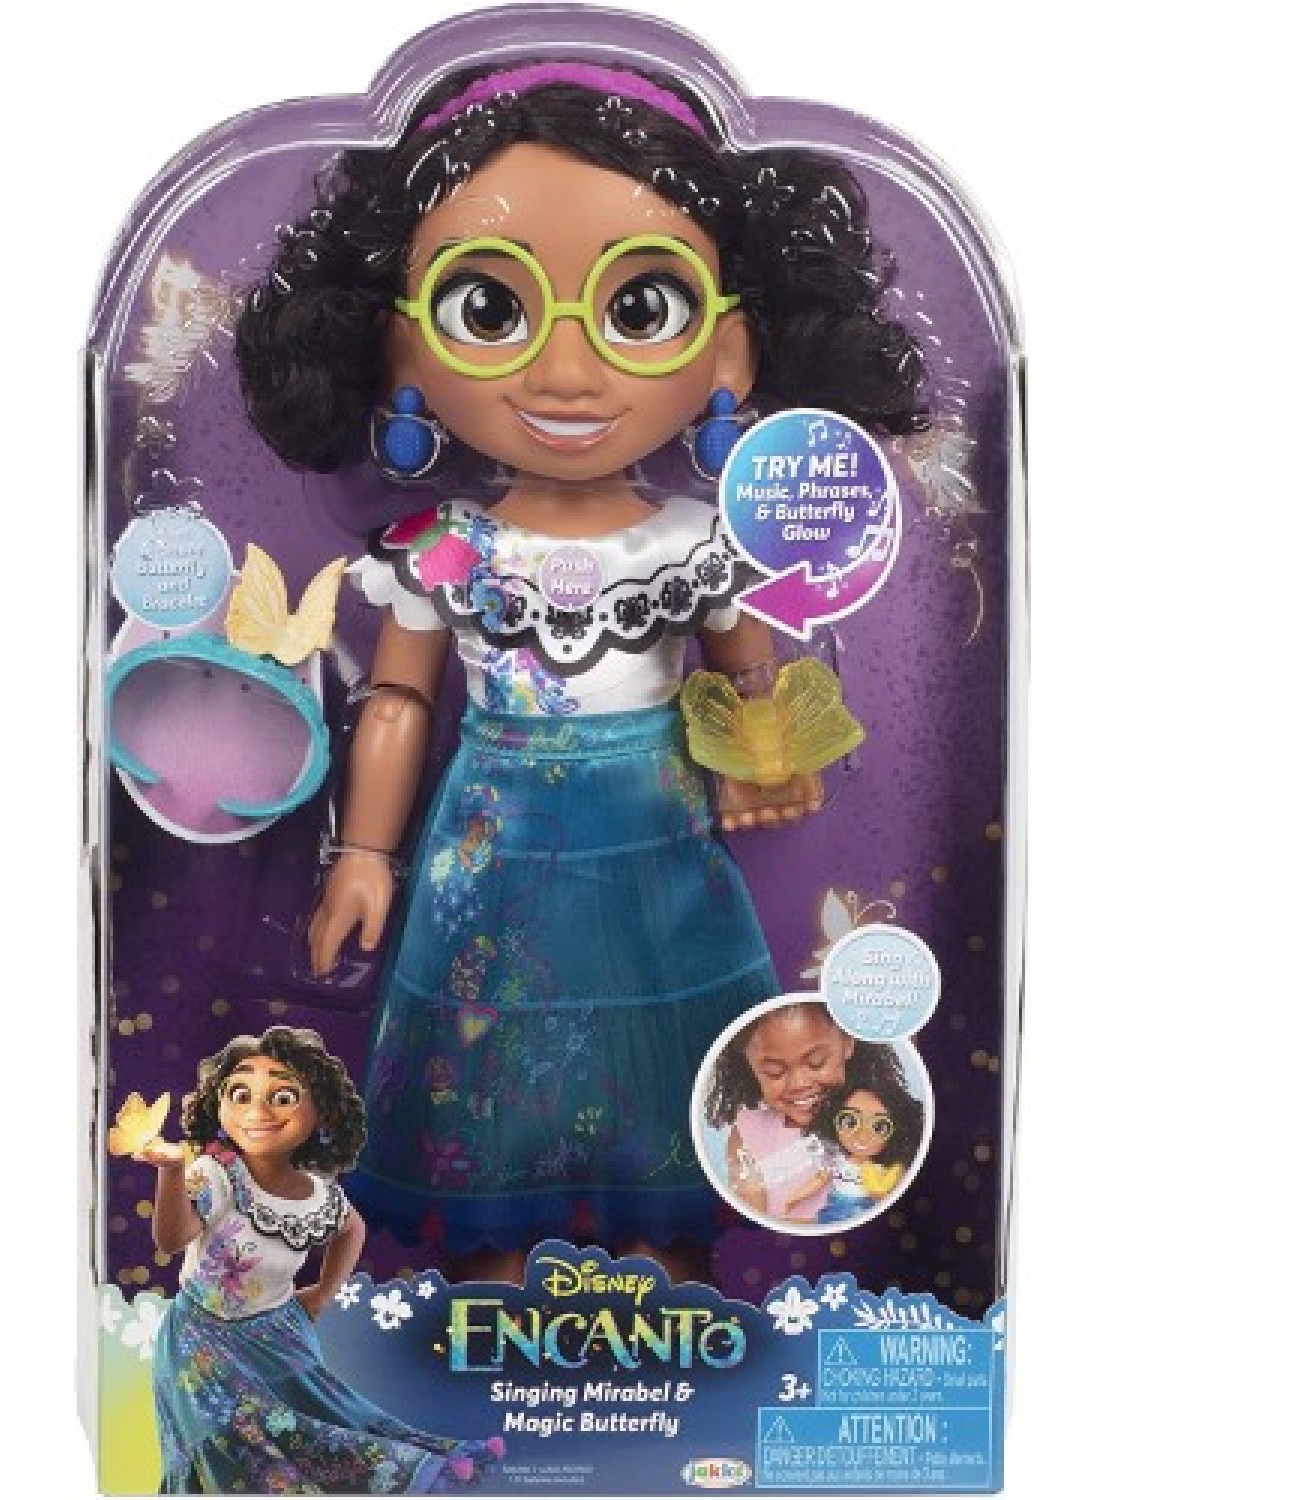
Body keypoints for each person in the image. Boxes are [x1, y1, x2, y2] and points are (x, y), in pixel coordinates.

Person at [235, 62, 925, 1278]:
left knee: (671, 1060)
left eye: (641, 307)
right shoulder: (445, 546)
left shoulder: (689, 543)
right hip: (491, 840)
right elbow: (398, 699)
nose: (565, 373)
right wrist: (363, 854)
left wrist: (765, 761)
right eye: (489, 309)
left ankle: (675, 1284)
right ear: (401, 346)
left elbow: (747, 674)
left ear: (730, 354)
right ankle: (492, 1293)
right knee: (491, 1064)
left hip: (655, 831)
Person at [130, 1026, 502, 1493]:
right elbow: (172, 1239)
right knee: (223, 1435)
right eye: (240, 1094)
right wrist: (171, 1172)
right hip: (201, 1338)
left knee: (319, 1412)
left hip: (278, 1332)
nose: (257, 1111)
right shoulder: (216, 1176)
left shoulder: (318, 1192)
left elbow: (352, 1229)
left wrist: (325, 1292)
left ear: (320, 1110)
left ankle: (419, 1467)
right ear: (218, 1106)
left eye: (282, 1097)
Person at [704, 1001, 857, 1222]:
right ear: (750, 1068)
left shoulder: (869, 1119)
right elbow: (753, 1215)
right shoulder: (749, 1132)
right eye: (774, 1072)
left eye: (816, 1063)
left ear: (848, 1042)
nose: (799, 1083)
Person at [815, 1044, 927, 1224]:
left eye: (879, 1127)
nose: (862, 1135)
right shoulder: (835, 1159)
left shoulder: (883, 1172)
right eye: (849, 1121)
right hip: (832, 1211)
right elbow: (820, 1180)